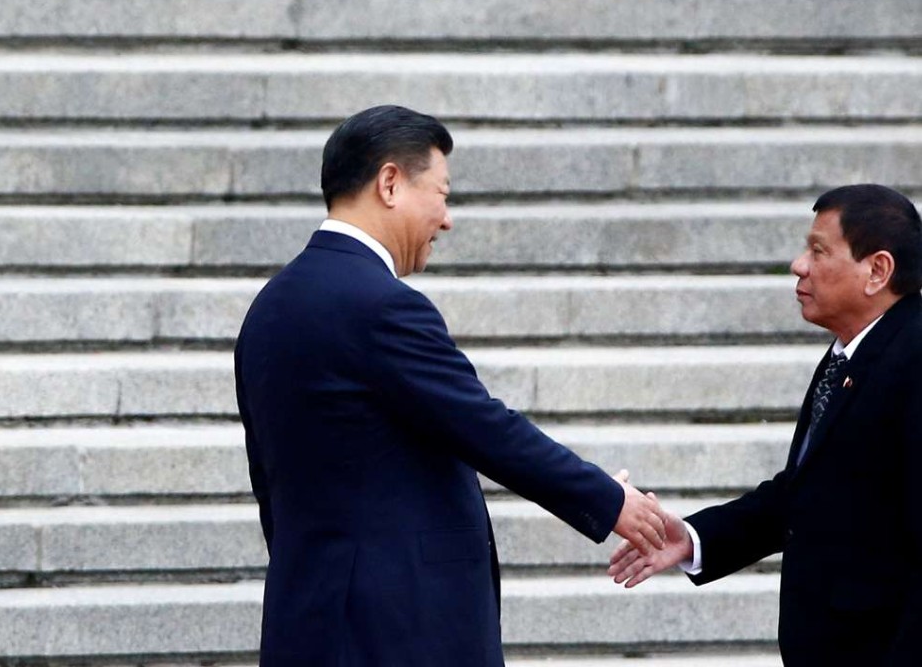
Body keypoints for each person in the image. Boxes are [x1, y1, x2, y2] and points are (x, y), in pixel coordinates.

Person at [235, 105, 666, 666]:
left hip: (309, 618)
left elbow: (271, 484)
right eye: (441, 194)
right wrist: (610, 502)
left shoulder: (268, 308)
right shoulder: (382, 305)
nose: (447, 219)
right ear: (390, 183)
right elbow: (483, 425)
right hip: (395, 631)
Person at [608, 184, 922, 665]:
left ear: (877, 270)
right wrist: (693, 538)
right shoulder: (853, 352)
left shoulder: (914, 356)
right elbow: (804, 491)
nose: (799, 265)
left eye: (819, 251)